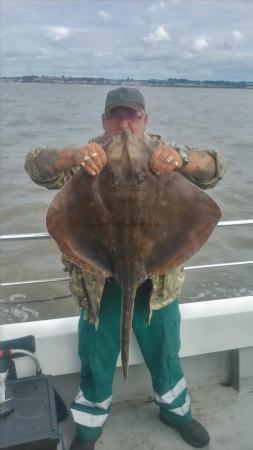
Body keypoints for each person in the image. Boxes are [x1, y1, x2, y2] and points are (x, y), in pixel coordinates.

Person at [25, 87, 226, 450]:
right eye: (116, 116)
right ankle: (88, 429)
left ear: (145, 120)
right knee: (96, 360)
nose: (124, 123)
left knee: (165, 353)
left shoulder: (165, 152)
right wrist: (73, 155)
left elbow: (215, 167)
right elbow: (36, 166)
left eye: (132, 116)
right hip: (98, 282)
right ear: (103, 121)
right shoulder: (88, 156)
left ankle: (176, 412)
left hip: (158, 281)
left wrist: (180, 158)